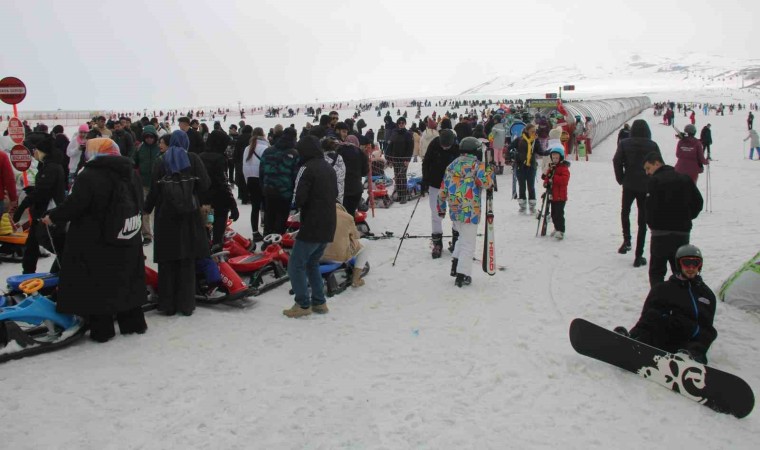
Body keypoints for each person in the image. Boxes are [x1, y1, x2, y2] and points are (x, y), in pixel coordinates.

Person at [42, 138, 147, 343]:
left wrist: (53, 216)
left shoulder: (90, 175)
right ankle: (133, 324)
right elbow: (139, 201)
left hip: (96, 240)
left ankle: (103, 330)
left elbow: (75, 204)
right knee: (126, 280)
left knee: (99, 284)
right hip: (127, 235)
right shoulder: (130, 173)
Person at [144, 130, 211, 316]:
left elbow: (154, 190)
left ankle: (168, 305)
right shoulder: (193, 159)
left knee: (167, 261)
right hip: (189, 216)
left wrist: (146, 208)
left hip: (165, 216)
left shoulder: (161, 161)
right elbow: (205, 184)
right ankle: (186, 304)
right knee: (186, 261)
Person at [616, 244, 716, 364]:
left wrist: (687, 327)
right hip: (664, 337)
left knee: (708, 333)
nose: (691, 267)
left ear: (700, 265)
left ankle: (690, 358)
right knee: (653, 315)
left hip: (687, 341)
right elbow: (647, 317)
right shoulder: (662, 289)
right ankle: (633, 341)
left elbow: (706, 328)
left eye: (695, 263)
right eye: (686, 263)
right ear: (678, 264)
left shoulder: (706, 295)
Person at [283, 135, 337, 318]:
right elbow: (336, 192)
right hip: (329, 222)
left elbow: (299, 197)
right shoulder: (328, 167)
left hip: (312, 223)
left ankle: (302, 303)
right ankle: (319, 302)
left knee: (295, 264)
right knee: (312, 262)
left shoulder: (306, 168)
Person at [438, 137, 493, 288]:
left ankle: (456, 265)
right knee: (468, 243)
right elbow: (487, 183)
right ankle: (462, 275)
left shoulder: (451, 165)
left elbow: (442, 190)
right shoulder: (477, 165)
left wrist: (441, 208)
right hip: (470, 210)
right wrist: (489, 170)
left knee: (462, 238)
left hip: (455, 209)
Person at [643, 152, 704, 288]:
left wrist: (653, 224)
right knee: (681, 269)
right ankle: (682, 296)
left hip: (660, 234)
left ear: (657, 163)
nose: (647, 172)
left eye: (648, 168)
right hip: (682, 232)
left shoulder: (654, 181)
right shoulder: (685, 179)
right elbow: (698, 202)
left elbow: (649, 207)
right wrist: (687, 216)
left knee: (657, 271)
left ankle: (658, 296)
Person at [13, 136, 66, 274]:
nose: (34, 153)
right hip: (42, 212)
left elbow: (43, 191)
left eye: (36, 150)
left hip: (47, 213)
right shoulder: (49, 165)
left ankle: (61, 272)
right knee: (32, 245)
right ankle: (28, 273)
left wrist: (23, 206)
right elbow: (44, 188)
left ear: (43, 151)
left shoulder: (51, 167)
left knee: (54, 245)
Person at [613, 119, 661, 266]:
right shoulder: (652, 145)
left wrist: (621, 178)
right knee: (642, 220)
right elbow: (659, 165)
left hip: (629, 183)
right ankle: (638, 255)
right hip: (646, 186)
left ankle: (627, 239)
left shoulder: (624, 143)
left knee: (625, 211)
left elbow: (616, 161)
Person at [422, 129, 459, 258]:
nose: (444, 148)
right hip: (435, 184)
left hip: (453, 185)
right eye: (443, 146)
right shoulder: (434, 144)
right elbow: (426, 162)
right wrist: (425, 179)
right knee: (436, 213)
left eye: (447, 146)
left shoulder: (457, 147)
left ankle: (456, 241)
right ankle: (437, 243)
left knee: (455, 212)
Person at [200, 126, 238, 249]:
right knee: (218, 232)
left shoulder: (200, 157)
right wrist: (233, 205)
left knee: (206, 228)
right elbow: (223, 183)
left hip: (205, 202)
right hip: (219, 202)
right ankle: (216, 250)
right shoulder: (220, 159)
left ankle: (206, 252)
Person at [260, 127, 299, 236]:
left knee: (269, 216)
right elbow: (296, 176)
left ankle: (267, 238)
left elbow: (261, 171)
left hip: (268, 189)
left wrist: (263, 187)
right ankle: (277, 240)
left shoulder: (268, 151)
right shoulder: (294, 153)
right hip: (285, 191)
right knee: (281, 218)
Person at [320, 203, 369, 288]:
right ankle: (356, 279)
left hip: (317, 255)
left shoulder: (316, 214)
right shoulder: (347, 217)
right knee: (366, 243)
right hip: (337, 257)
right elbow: (356, 236)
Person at [133, 125, 161, 245]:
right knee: (145, 210)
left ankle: (159, 232)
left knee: (159, 210)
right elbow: (134, 162)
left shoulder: (160, 148)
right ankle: (147, 235)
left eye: (151, 137)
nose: (149, 139)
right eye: (147, 137)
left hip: (158, 184)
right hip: (144, 183)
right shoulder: (140, 148)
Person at [242, 127, 268, 242]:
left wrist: (247, 180)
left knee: (255, 207)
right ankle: (266, 229)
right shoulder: (265, 148)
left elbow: (244, 166)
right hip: (262, 179)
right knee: (266, 206)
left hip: (251, 179)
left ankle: (255, 232)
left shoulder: (247, 148)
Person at [541, 147, 570, 240]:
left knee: (559, 214)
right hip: (553, 195)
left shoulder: (564, 168)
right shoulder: (551, 167)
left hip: (560, 196)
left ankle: (560, 230)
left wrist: (553, 178)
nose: (555, 160)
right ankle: (556, 228)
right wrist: (546, 182)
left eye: (557, 158)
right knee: (553, 214)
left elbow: (564, 180)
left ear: (561, 158)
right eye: (553, 158)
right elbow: (548, 176)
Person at [514, 124, 544, 214]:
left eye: (535, 131)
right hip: (520, 166)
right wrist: (511, 156)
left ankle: (532, 206)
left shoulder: (535, 140)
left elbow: (540, 151)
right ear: (527, 131)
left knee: (531, 186)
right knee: (522, 186)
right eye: (532, 131)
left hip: (531, 166)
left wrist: (548, 152)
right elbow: (510, 148)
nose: (534, 133)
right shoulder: (519, 140)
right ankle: (522, 206)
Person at [338, 135, 369, 217]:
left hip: (341, 189)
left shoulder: (339, 150)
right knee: (351, 214)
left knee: (341, 214)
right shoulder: (360, 153)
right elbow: (365, 172)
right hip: (356, 189)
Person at [385, 117, 413, 203]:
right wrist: (389, 159)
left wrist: (407, 159)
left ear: (405, 124)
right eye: (399, 123)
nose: (401, 124)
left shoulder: (408, 134)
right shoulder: (394, 133)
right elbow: (390, 146)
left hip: (403, 160)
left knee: (402, 177)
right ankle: (399, 194)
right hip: (395, 159)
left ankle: (404, 196)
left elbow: (410, 148)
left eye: (402, 123)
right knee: (397, 177)